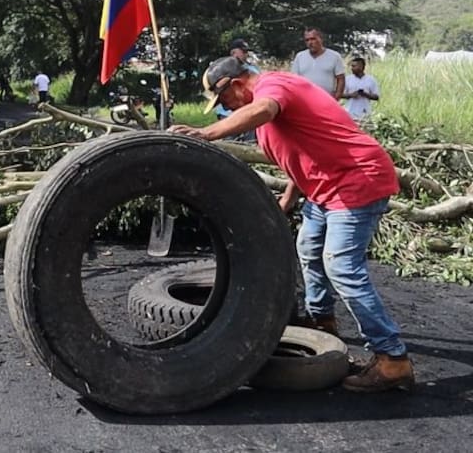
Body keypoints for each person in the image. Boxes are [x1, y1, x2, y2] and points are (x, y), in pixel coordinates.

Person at [170, 56, 413, 392]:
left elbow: (265, 108)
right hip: (323, 189)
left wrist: (206, 133)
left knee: (341, 266)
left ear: (236, 84)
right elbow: (301, 157)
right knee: (308, 249)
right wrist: (286, 201)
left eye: (222, 100)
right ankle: (322, 323)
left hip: (357, 179)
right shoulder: (264, 120)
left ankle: (392, 359)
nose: (222, 108)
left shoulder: (274, 85)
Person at [291, 28, 345, 100]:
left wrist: (336, 97)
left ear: (321, 39)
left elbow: (341, 78)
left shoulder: (334, 56)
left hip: (326, 100)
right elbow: (294, 79)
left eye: (313, 39)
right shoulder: (300, 56)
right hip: (305, 100)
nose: (310, 42)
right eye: (307, 40)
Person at [343, 57, 381, 122]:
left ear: (360, 67)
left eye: (354, 66)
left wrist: (365, 94)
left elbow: (376, 97)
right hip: (350, 114)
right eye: (351, 66)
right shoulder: (347, 79)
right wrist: (351, 95)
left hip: (365, 114)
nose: (351, 68)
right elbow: (340, 94)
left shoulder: (371, 80)